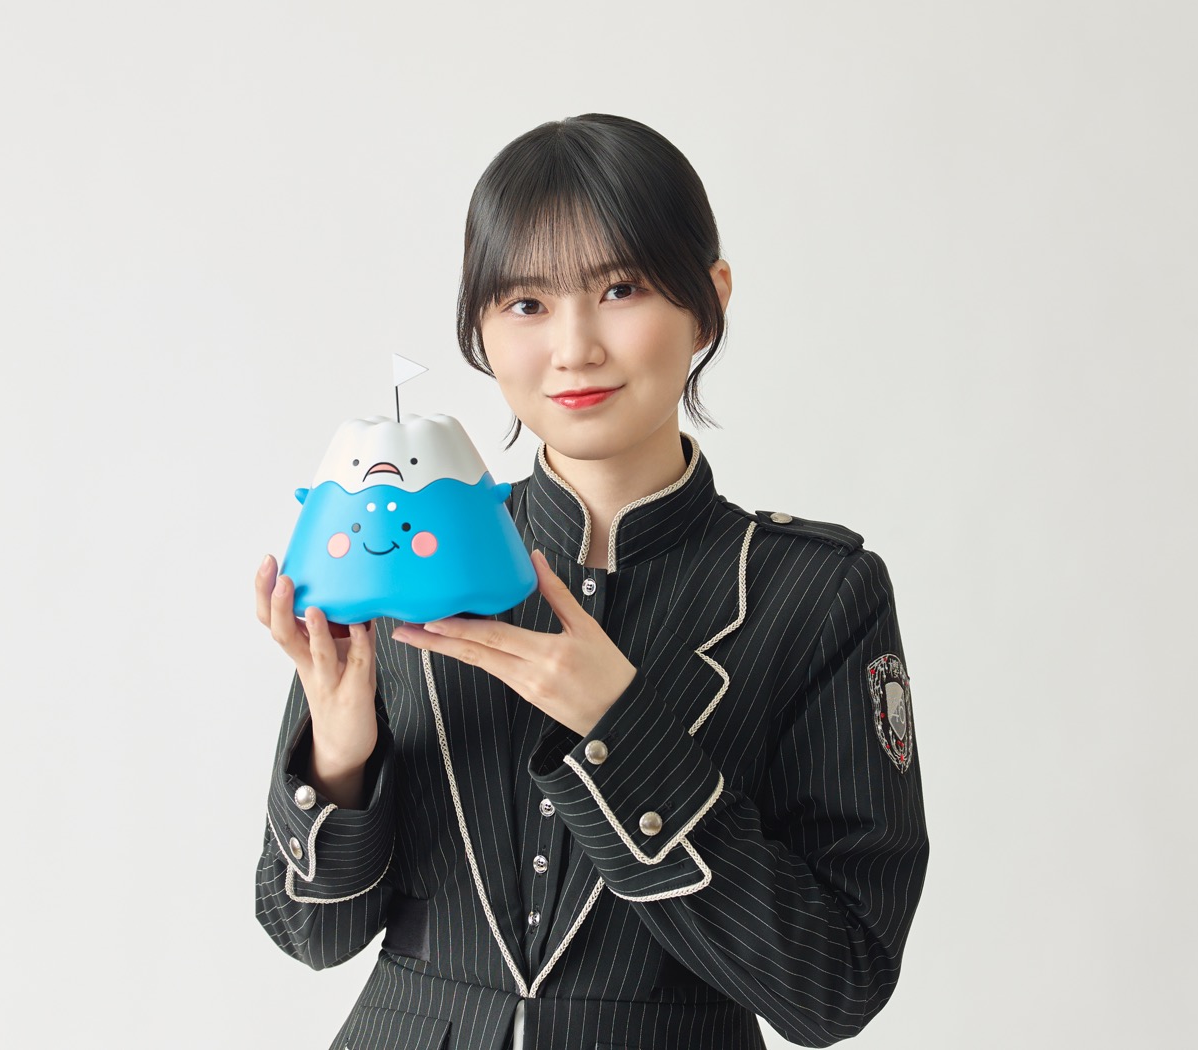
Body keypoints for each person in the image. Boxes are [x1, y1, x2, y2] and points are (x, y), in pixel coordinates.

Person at [253, 113, 929, 1050]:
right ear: (481, 329)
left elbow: (836, 987)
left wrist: (622, 727)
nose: (574, 348)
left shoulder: (814, 595)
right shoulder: (394, 551)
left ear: (709, 301)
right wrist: (339, 755)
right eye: (526, 304)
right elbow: (308, 935)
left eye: (620, 289)